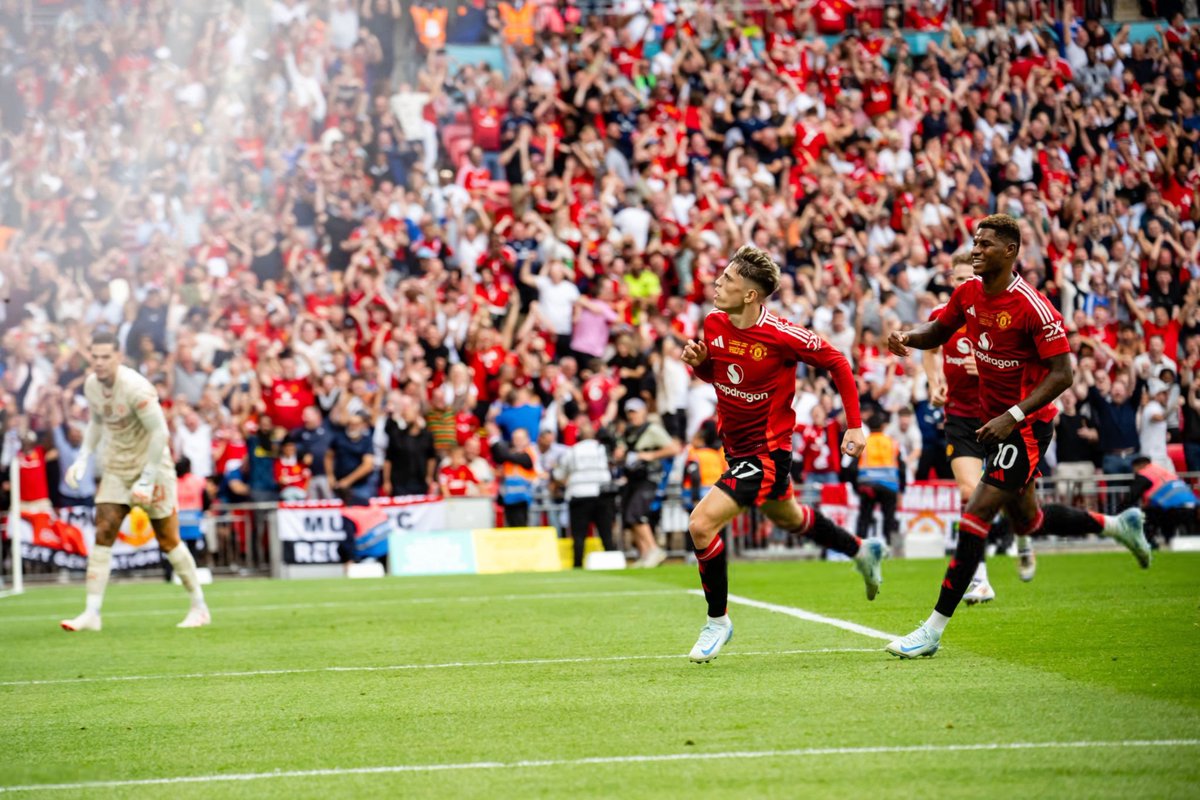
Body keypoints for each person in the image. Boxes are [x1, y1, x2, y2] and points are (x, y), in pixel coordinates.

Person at [885, 215, 1151, 659]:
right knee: (1030, 520)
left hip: (1026, 425)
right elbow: (940, 331)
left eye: (986, 244)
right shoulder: (968, 293)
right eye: (974, 242)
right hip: (991, 420)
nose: (976, 249)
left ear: (1010, 251)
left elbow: (1063, 374)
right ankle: (1118, 525)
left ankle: (932, 630)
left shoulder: (1034, 307)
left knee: (978, 509)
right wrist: (907, 338)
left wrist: (1012, 416)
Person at [680, 245, 885, 664]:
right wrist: (700, 365)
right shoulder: (714, 323)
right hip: (735, 449)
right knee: (789, 517)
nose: (718, 285)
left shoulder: (782, 335)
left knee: (701, 525)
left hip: (768, 453)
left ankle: (717, 621)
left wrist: (855, 424)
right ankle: (861, 550)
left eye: (729, 281)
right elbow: (720, 375)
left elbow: (839, 363)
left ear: (751, 295)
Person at [60, 332, 210, 631]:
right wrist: (82, 457)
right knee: (103, 531)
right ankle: (92, 612)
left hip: (152, 467)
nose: (100, 363)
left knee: (168, 540)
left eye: (106, 357)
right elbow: (97, 423)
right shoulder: (91, 385)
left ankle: (199, 605)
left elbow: (160, 434)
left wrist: (147, 478)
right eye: (95, 356)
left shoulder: (136, 388)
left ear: (118, 357)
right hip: (117, 467)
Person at [922, 254, 1036, 607]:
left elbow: (1023, 363)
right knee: (971, 493)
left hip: (1001, 417)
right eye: (955, 279)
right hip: (960, 416)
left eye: (966, 279)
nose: (961, 285)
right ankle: (981, 579)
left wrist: (985, 370)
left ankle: (1023, 541)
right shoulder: (942, 316)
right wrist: (933, 380)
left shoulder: (995, 315)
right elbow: (929, 349)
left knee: (1019, 497)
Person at [613, 398, 679, 567]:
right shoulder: (629, 431)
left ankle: (654, 549)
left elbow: (673, 448)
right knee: (629, 515)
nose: (631, 415)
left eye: (634, 411)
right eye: (629, 412)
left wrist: (649, 456)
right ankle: (644, 554)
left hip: (649, 478)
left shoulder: (652, 430)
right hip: (633, 478)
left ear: (643, 412)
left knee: (637, 513)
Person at [553, 419, 617, 568]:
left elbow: (559, 474)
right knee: (606, 533)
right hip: (602, 495)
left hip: (579, 496)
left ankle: (577, 565)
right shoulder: (602, 449)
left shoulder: (572, 451)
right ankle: (613, 562)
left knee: (579, 535)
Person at [1126, 454, 1197, 545]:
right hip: (1193, 506)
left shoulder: (1144, 474)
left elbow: (1131, 497)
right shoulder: (1165, 472)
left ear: (1138, 466)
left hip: (1172, 508)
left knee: (1143, 516)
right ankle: (1169, 541)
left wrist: (1119, 513)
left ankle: (1150, 544)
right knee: (1162, 515)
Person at [855, 412, 902, 547]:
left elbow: (852, 467)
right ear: (883, 426)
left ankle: (859, 547)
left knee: (864, 517)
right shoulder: (892, 443)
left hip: (867, 485)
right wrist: (901, 488)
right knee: (889, 518)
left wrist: (857, 486)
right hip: (889, 486)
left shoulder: (863, 442)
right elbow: (902, 467)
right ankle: (890, 546)